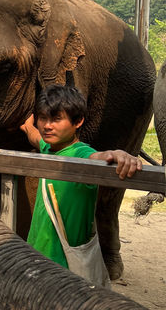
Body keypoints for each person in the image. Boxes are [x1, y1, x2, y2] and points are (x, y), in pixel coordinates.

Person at [19, 84, 142, 269]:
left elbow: (101, 156)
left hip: (66, 263)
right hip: (36, 253)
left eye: (56, 119)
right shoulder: (49, 148)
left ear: (78, 122)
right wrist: (28, 125)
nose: (47, 126)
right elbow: (35, 136)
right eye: (43, 118)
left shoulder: (81, 154)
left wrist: (118, 154)